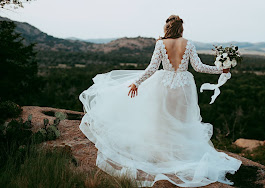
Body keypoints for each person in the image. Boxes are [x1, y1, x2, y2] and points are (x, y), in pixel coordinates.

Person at [79, 15, 242, 187]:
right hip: (184, 86)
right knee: (181, 120)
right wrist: (220, 70)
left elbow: (152, 68)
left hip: (164, 84)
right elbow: (199, 67)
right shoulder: (189, 43)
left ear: (167, 28)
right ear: (181, 29)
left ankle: (164, 155)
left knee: (162, 120)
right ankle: (180, 154)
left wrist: (137, 82)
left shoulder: (160, 44)